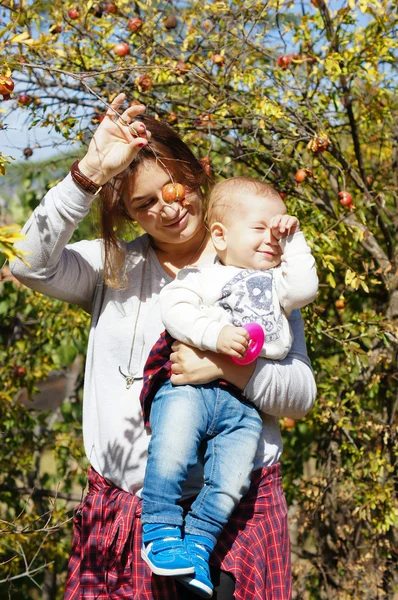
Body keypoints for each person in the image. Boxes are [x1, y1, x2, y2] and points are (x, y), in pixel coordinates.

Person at [11, 94, 317, 600]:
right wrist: (88, 173)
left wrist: (229, 370)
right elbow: (26, 263)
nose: (166, 209)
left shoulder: (261, 272)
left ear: (196, 174)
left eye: (172, 188)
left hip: (237, 514)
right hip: (125, 514)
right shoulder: (112, 267)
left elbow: (301, 394)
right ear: (129, 215)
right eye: (143, 203)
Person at [139, 177, 318, 598]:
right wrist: (216, 336)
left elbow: (306, 288)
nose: (271, 239)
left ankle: (198, 544)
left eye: (277, 231)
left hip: (243, 408)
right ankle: (160, 531)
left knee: (232, 477)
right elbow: (175, 308)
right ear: (220, 235)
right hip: (189, 394)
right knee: (172, 451)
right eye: (261, 229)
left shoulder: (279, 288)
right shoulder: (202, 277)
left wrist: (295, 238)